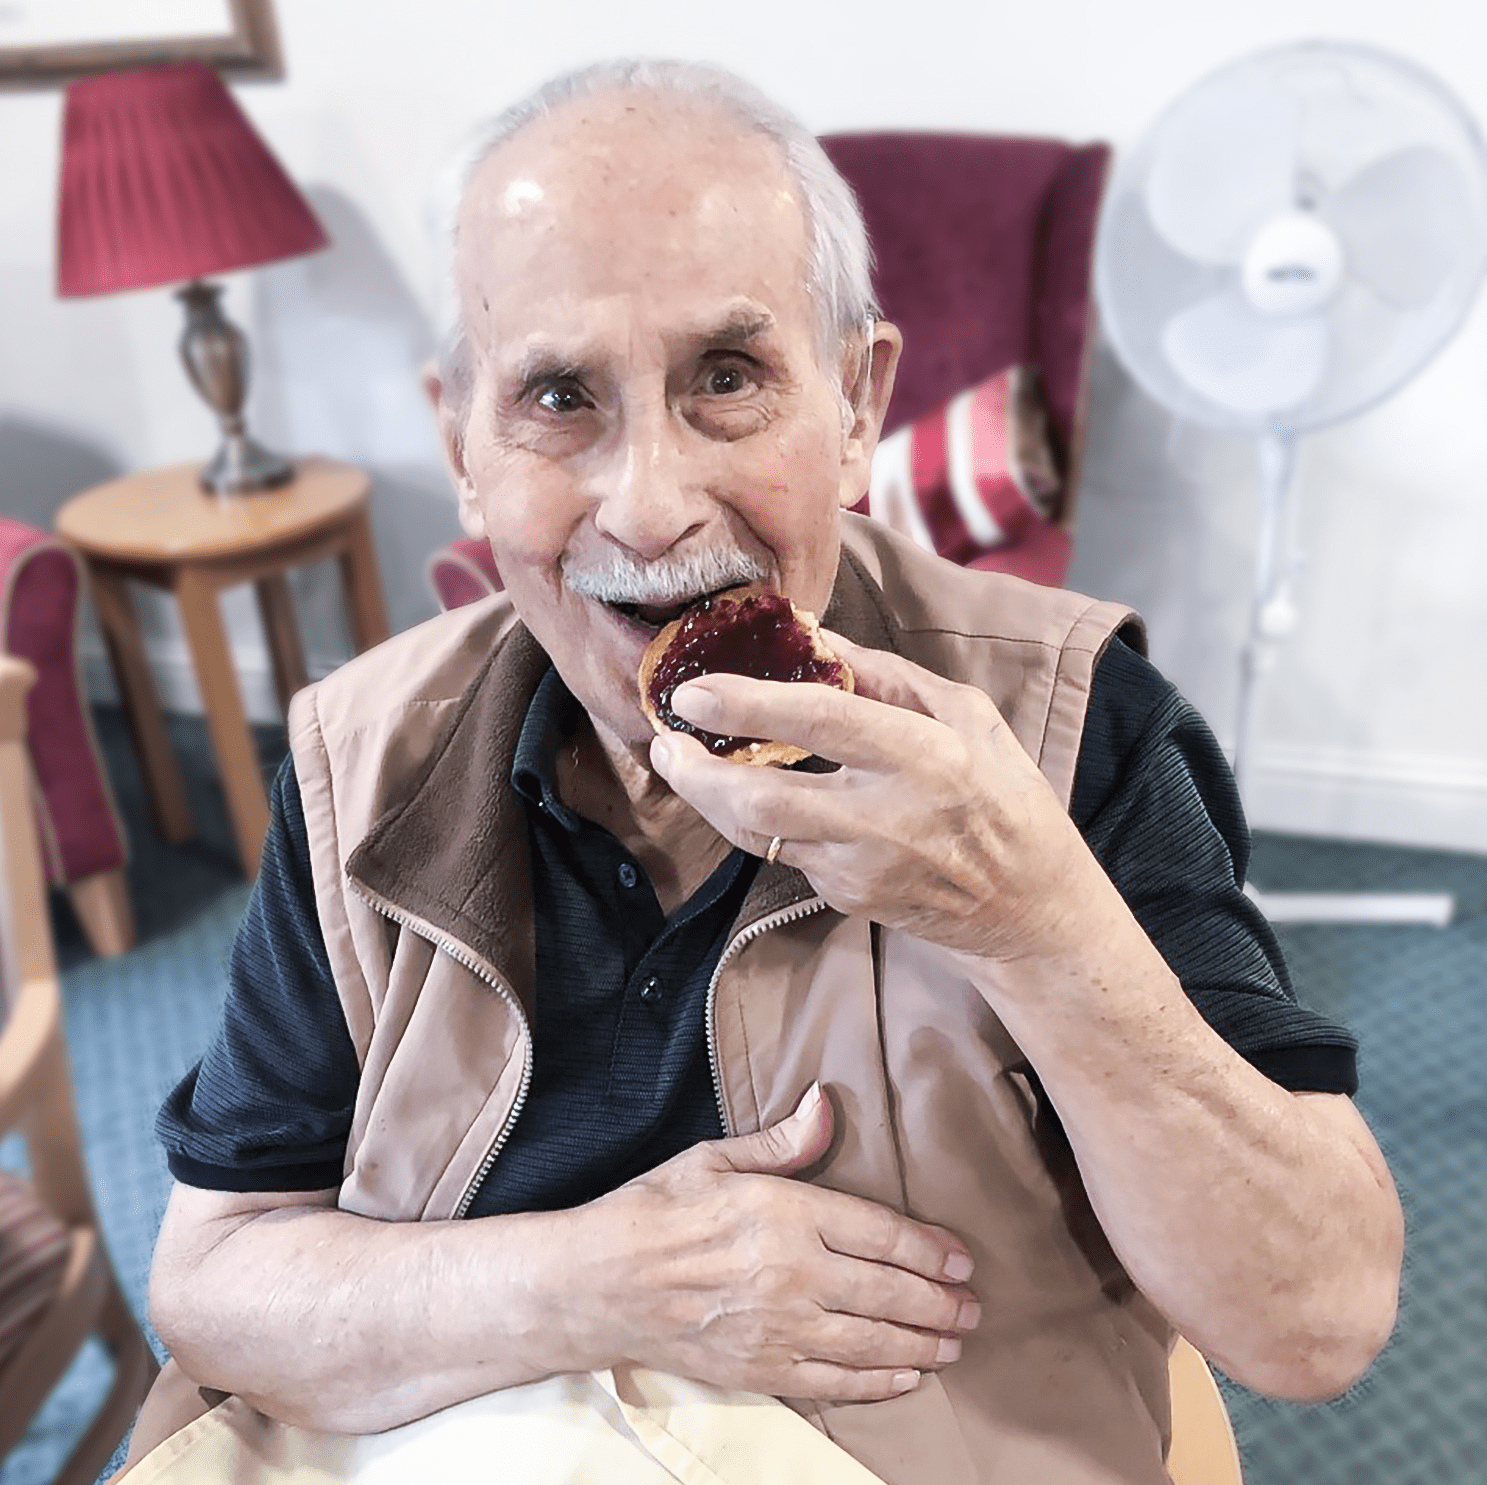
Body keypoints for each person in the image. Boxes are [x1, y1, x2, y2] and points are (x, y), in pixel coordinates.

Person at [137, 60, 1403, 1485]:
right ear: (464, 453)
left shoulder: (1070, 724)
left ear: (856, 405)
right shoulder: (352, 761)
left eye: (726, 380)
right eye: (558, 397)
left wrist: (1032, 915)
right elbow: (214, 1273)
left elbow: (1317, 1324)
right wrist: (610, 1279)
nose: (652, 504)